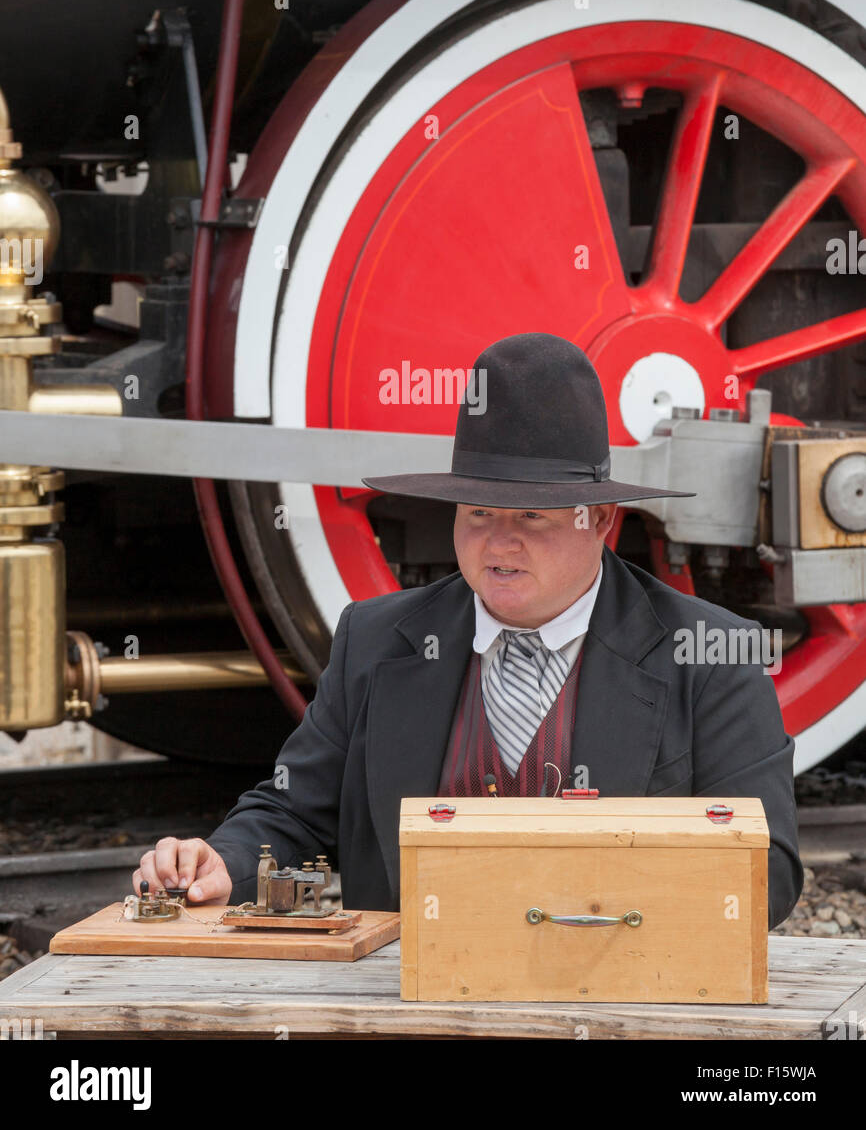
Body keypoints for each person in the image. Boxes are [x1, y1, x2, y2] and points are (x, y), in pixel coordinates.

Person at [134, 332, 803, 929]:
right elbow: (292, 810)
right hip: (410, 1020)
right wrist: (218, 860)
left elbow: (768, 872)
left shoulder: (712, 659)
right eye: (478, 510)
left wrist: (590, 903)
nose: (498, 541)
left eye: (533, 516)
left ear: (601, 521)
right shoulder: (374, 640)